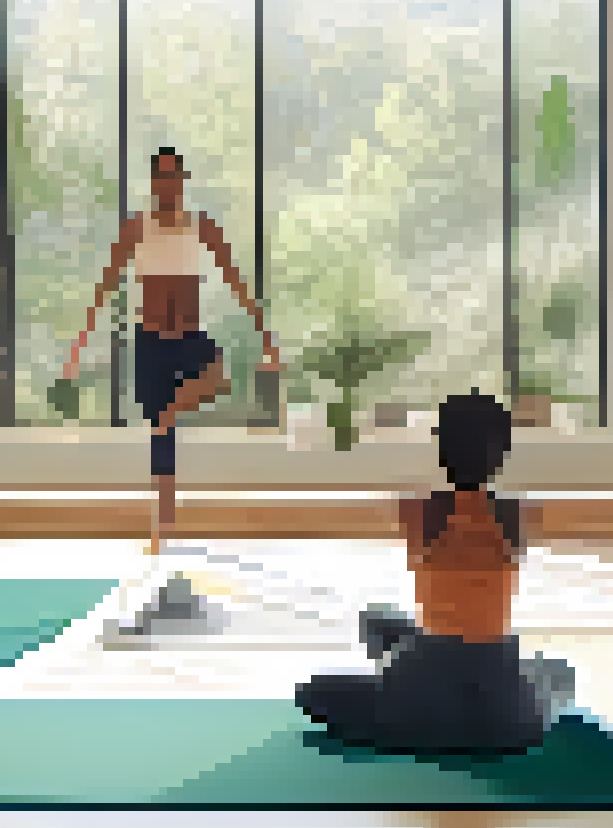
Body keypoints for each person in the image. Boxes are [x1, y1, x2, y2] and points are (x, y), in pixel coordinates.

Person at [294, 391, 576, 755]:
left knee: (323, 681)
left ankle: (403, 691)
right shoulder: (517, 514)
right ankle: (437, 698)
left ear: (441, 452)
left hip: (421, 697)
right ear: (502, 455)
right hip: (503, 712)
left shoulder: (419, 510)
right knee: (557, 672)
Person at [63, 148, 278, 555]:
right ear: (153, 182)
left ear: (182, 180)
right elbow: (106, 284)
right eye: (159, 177)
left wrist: (266, 335)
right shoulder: (136, 228)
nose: (166, 184)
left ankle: (171, 412)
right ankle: (163, 528)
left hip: (189, 335)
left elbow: (236, 280)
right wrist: (79, 342)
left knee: (217, 376)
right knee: (162, 437)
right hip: (149, 339)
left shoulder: (200, 226)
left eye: (172, 176)